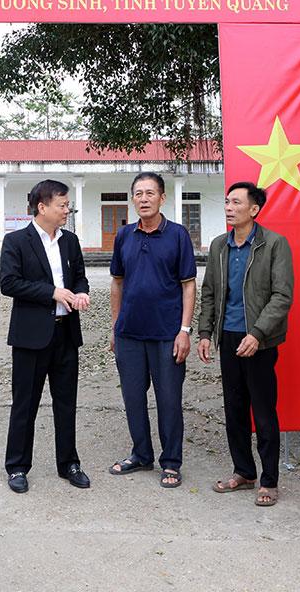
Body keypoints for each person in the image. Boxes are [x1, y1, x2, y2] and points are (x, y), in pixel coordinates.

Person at [197, 181, 294, 507]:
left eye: (236, 202)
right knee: (234, 409)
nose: (229, 207)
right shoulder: (218, 246)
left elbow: (282, 296)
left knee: (263, 412)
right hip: (229, 337)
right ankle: (244, 471)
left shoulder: (274, 244)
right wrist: (205, 333)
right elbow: (209, 292)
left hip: (260, 341)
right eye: (227, 202)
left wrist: (258, 333)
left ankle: (269, 480)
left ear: (254, 209)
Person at [106, 172, 197, 489]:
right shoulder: (124, 236)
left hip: (166, 334)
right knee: (133, 398)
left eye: (150, 193)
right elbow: (117, 282)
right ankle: (141, 454)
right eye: (138, 193)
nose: (143, 199)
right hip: (129, 333)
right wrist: (115, 326)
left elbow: (188, 285)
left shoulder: (178, 235)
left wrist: (184, 330)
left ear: (162, 198)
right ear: (132, 199)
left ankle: (171, 462)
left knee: (169, 400)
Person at [0, 179, 91, 493]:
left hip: (66, 334)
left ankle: (69, 463)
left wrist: (81, 292)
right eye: (62, 205)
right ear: (42, 207)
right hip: (31, 337)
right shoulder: (16, 241)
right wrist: (52, 292)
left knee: (66, 403)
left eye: (68, 205)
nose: (67, 210)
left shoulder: (70, 241)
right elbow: (9, 283)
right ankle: (17, 467)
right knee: (25, 404)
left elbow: (79, 277)